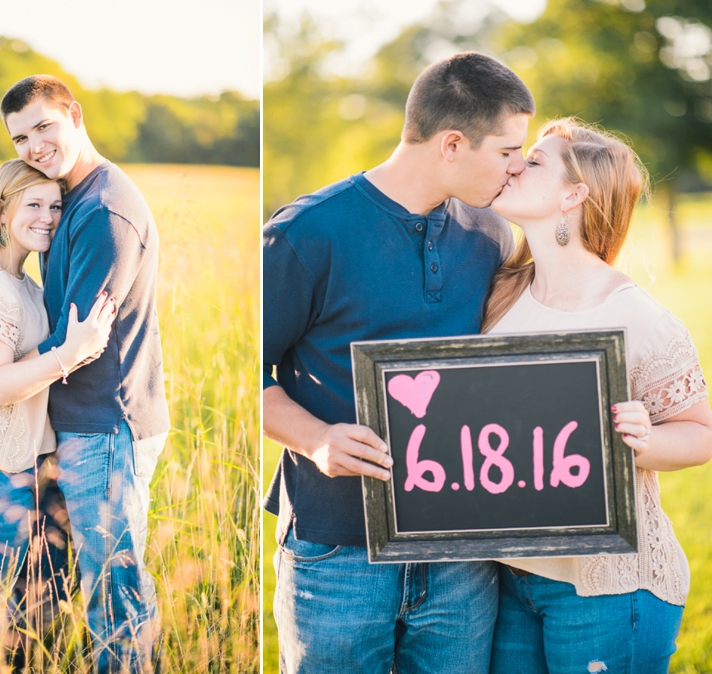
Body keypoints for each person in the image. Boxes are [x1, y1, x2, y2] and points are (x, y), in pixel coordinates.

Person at [263, 52, 534, 673]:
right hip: (337, 551)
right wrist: (317, 439)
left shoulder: (490, 234)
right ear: (453, 143)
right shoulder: (307, 232)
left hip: (460, 552)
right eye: (507, 151)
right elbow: (252, 372)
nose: (519, 166)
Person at [0, 75, 169, 674]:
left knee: (114, 599)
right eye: (19, 137)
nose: (33, 144)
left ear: (73, 115)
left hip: (105, 426)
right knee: (63, 594)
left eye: (43, 126)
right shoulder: (67, 198)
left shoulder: (105, 209)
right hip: (72, 425)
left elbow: (78, 341)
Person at [483, 118, 712, 672]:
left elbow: (701, 435)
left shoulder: (635, 315)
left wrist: (644, 439)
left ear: (574, 194)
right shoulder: (502, 292)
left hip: (611, 587)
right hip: (510, 578)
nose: (514, 163)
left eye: (534, 160)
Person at [0, 158, 116, 670]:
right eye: (33, 205)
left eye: (55, 206)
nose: (48, 217)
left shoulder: (24, 286)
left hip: (18, 466)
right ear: (2, 210)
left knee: (27, 616)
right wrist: (70, 354)